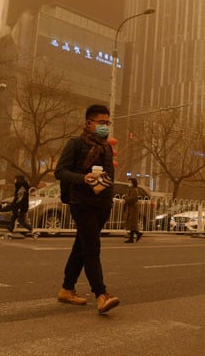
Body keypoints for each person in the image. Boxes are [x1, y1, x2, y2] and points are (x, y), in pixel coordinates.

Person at [54, 104, 120, 314]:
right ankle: (101, 294)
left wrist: (108, 199)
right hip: (81, 202)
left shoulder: (107, 147)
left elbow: (109, 177)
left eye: (107, 124)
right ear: (89, 123)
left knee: (81, 247)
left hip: (101, 204)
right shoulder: (75, 143)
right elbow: (60, 172)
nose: (104, 127)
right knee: (92, 247)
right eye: (101, 123)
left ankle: (66, 289)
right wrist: (83, 178)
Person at [123, 177, 144, 243]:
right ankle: (133, 237)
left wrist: (126, 199)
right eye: (128, 182)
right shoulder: (130, 189)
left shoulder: (135, 190)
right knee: (130, 223)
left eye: (130, 182)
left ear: (133, 183)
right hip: (130, 207)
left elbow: (133, 198)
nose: (129, 183)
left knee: (132, 222)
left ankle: (137, 234)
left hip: (133, 208)